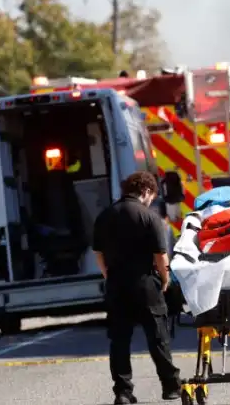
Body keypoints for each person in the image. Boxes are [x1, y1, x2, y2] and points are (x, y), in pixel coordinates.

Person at [93, 171, 181, 404]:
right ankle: (171, 386)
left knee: (119, 340)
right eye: (152, 195)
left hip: (116, 285)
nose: (152, 200)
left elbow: (98, 253)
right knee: (157, 337)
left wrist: (108, 275)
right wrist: (165, 279)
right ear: (146, 191)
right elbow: (160, 256)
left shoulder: (104, 216)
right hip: (145, 285)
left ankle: (123, 391)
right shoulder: (149, 217)